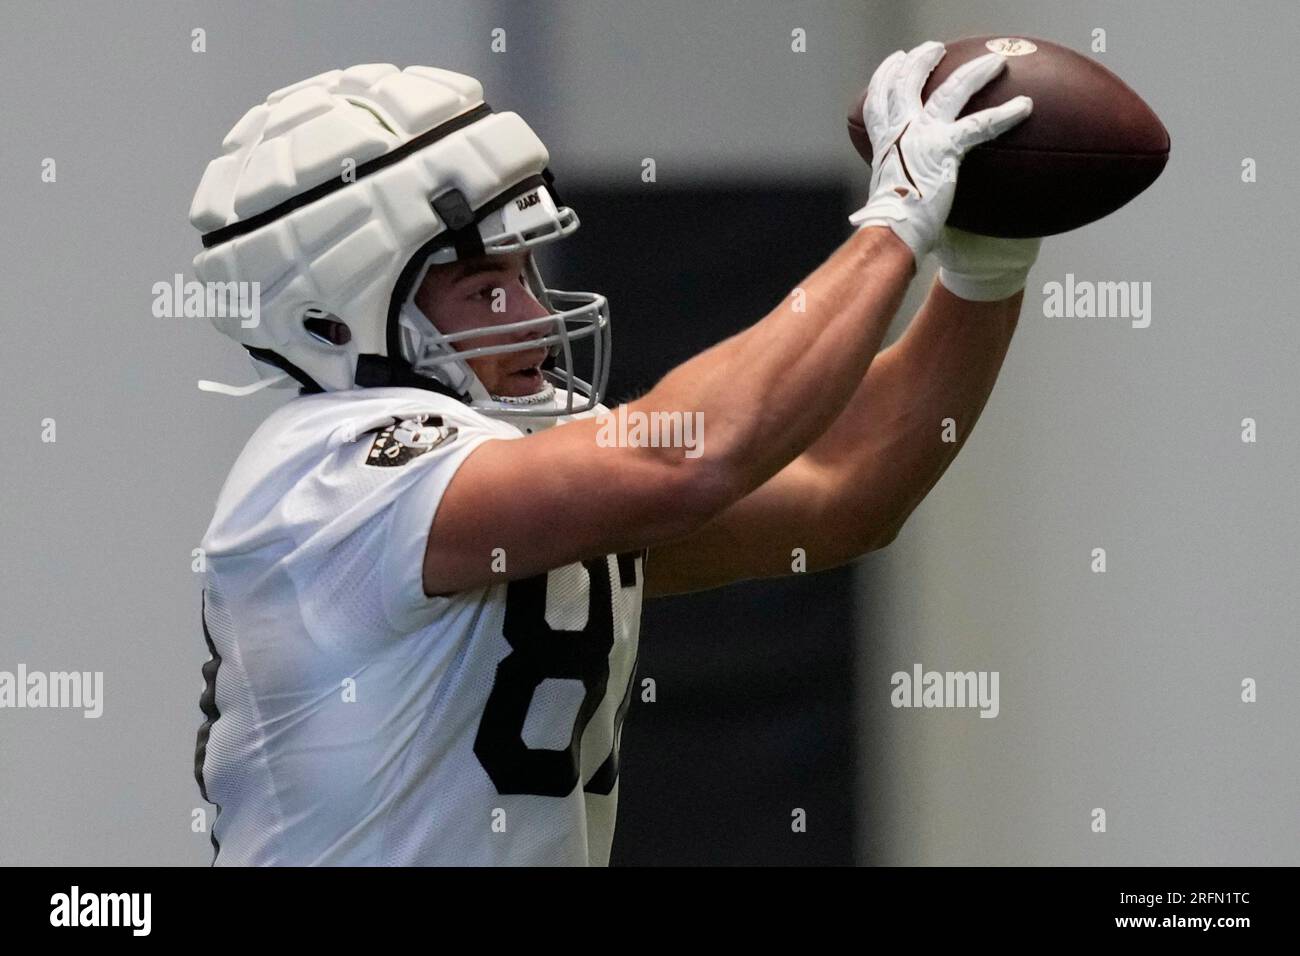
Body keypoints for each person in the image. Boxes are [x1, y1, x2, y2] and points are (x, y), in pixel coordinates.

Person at [190, 44, 1041, 865]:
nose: (528, 309)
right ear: (334, 320)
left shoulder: (499, 473)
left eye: (526, 269)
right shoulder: (327, 472)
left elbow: (844, 489)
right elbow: (693, 457)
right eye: (486, 285)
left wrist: (983, 275)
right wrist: (893, 222)